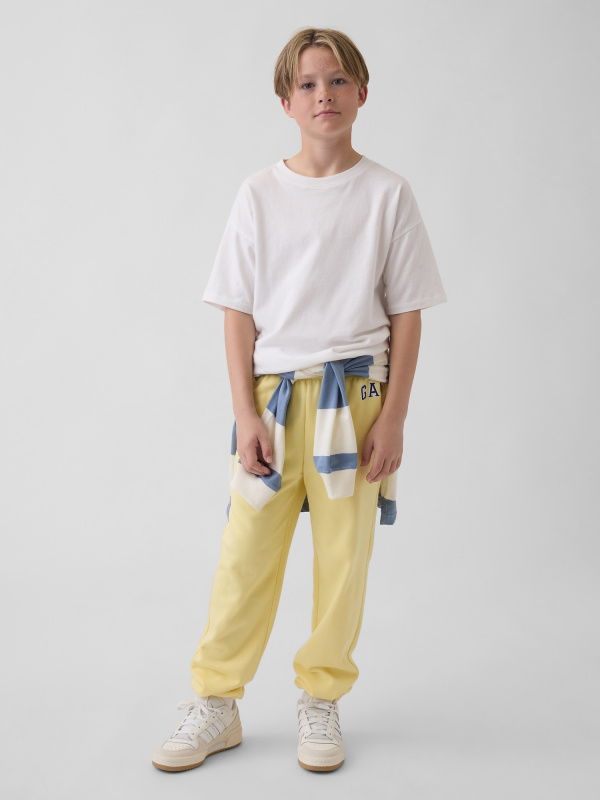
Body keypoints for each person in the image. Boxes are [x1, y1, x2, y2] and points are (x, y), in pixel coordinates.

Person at [152, 26, 447, 774]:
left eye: (338, 80)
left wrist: (395, 417)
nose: (325, 95)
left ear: (362, 92)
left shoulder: (387, 194)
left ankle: (322, 696)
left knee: (344, 558)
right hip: (274, 400)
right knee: (245, 554)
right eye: (309, 84)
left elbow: (407, 312)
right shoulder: (259, 194)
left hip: (358, 395)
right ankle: (217, 701)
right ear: (286, 101)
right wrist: (244, 412)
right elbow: (237, 311)